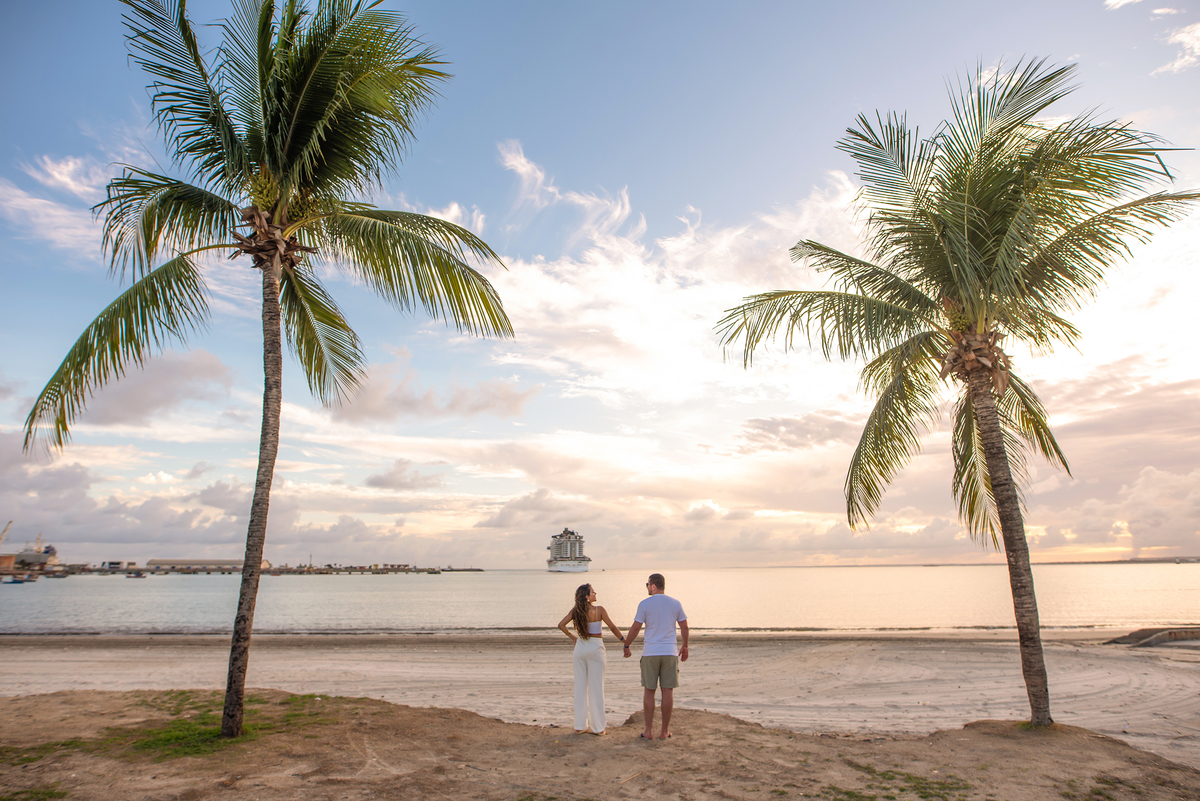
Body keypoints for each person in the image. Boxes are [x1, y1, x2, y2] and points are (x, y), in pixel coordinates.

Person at [622, 572, 688, 740]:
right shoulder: (675, 603)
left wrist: (627, 644)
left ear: (653, 586)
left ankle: (648, 731)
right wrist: (685, 646)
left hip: (651, 653)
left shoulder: (645, 604)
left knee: (649, 691)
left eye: (647, 585)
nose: (647, 588)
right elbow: (684, 626)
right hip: (669, 652)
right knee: (667, 691)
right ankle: (664, 731)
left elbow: (635, 628)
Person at [557, 583, 623, 735]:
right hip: (595, 648)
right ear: (587, 597)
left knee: (580, 687)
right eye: (593, 592)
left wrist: (573, 638)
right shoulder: (599, 610)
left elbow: (561, 625)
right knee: (596, 688)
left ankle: (580, 726)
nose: (595, 593)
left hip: (580, 648)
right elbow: (613, 628)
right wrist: (624, 642)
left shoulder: (576, 611)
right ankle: (598, 728)